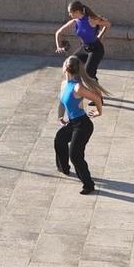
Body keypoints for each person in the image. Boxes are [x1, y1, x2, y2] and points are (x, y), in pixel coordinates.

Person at [57, 53, 100, 194]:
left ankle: (88, 185)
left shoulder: (77, 87)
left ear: (67, 69)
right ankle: (64, 168)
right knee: (59, 140)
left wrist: (99, 111)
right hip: (73, 122)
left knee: (75, 154)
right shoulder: (64, 84)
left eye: (64, 64)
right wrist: (60, 116)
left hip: (83, 125)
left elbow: (96, 97)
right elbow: (62, 101)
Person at [55, 2, 111, 87]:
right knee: (70, 64)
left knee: (89, 72)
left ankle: (97, 95)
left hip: (96, 49)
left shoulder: (91, 20)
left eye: (71, 12)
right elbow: (58, 32)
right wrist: (58, 46)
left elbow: (108, 24)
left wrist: (100, 35)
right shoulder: (75, 21)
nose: (69, 14)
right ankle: (77, 88)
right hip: (85, 48)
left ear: (77, 12)